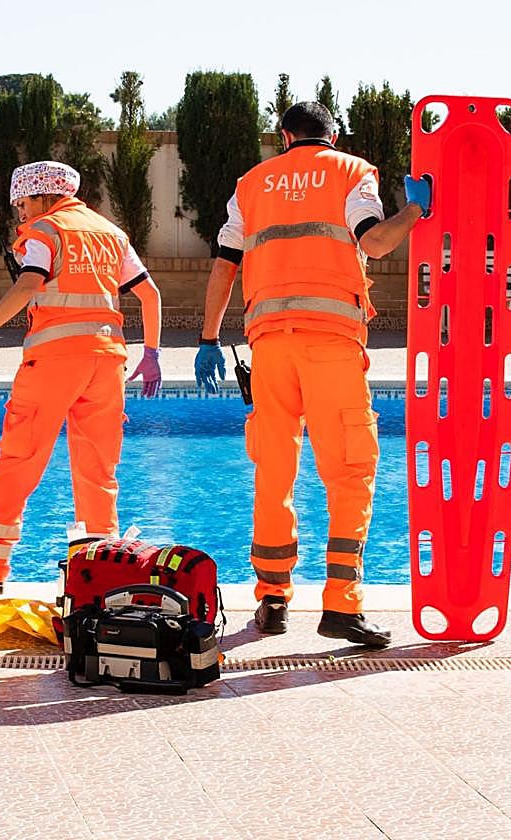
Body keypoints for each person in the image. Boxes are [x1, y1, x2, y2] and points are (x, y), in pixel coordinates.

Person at [195, 102, 431, 647]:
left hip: (268, 346)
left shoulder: (249, 185)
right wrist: (416, 209)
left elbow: (224, 264)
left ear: (284, 137)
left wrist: (208, 338)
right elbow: (374, 242)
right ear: (334, 133)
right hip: (331, 344)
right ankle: (341, 607)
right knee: (350, 470)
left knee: (273, 471)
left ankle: (272, 602)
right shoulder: (352, 171)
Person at [0, 160, 163, 593]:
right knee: (98, 471)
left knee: (19, 458)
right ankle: (104, 577)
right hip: (107, 364)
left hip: (54, 362)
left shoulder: (46, 232)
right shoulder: (111, 234)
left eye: (22, 203)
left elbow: (28, 286)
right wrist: (152, 353)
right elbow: (149, 293)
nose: (20, 213)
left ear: (43, 195)